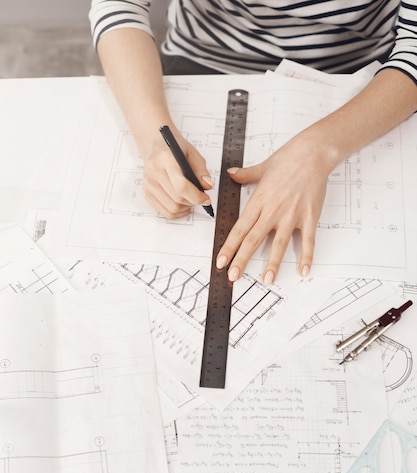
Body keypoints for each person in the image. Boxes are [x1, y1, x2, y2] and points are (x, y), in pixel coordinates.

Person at [89, 1, 417, 285]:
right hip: (202, 58)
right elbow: (120, 5)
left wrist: (318, 150)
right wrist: (153, 138)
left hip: (360, 75)